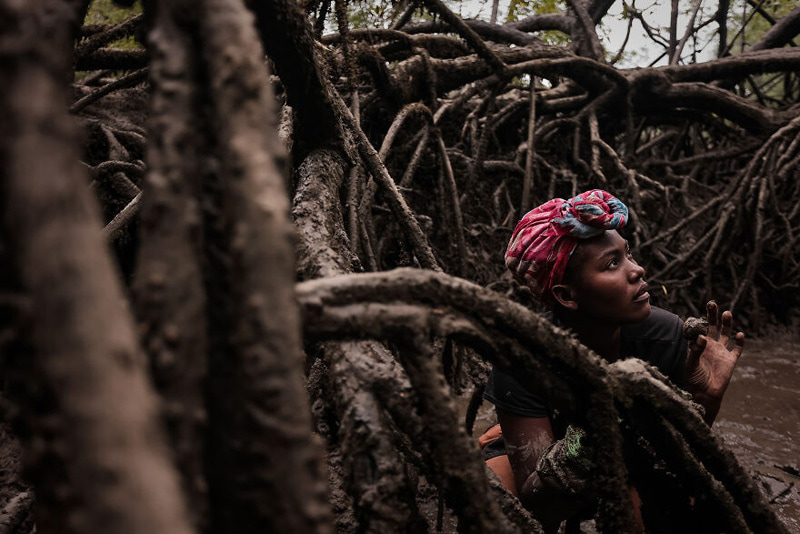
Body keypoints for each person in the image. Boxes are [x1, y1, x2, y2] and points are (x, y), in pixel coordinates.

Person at [481, 189, 744, 533]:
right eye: (612, 264)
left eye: (628, 254)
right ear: (566, 295)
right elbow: (537, 505)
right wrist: (587, 446)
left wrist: (706, 400)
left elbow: (681, 458)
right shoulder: (520, 357)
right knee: (496, 509)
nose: (637, 270)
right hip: (547, 457)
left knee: (679, 508)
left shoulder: (665, 336)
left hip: (631, 460)